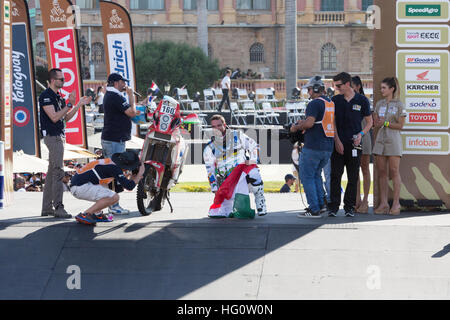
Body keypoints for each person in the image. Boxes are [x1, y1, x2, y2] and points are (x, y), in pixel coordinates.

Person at [39, 68, 92, 218]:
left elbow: (65, 118)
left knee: (52, 173)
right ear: (53, 80)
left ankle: (47, 208)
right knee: (58, 171)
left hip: (59, 135)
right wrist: (69, 104)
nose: (63, 81)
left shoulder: (58, 96)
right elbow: (54, 117)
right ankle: (58, 207)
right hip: (53, 136)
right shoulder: (46, 96)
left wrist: (78, 104)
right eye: (61, 79)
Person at [328, 72, 373, 217]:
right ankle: (334, 207)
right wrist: (337, 140)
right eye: (335, 85)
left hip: (354, 145)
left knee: (353, 176)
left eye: (339, 85)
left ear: (348, 84)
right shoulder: (335, 100)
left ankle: (349, 207)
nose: (337, 88)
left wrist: (360, 135)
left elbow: (369, 122)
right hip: (338, 145)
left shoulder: (362, 100)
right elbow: (331, 122)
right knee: (336, 175)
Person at [203, 115, 267, 216]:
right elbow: (210, 170)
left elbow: (254, 145)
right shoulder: (209, 147)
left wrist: (253, 160)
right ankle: (228, 206)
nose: (217, 128)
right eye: (214, 127)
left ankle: (260, 201)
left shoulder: (237, 135)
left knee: (253, 171)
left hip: (242, 174)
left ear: (224, 125)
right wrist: (214, 188)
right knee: (224, 213)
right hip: (226, 182)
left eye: (219, 125)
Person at [291, 76, 335, 218]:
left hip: (314, 146)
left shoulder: (314, 103)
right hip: (327, 146)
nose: (308, 92)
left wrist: (296, 127)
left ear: (316, 88)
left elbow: (310, 124)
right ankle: (321, 205)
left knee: (307, 177)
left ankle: (314, 209)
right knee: (316, 175)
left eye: (309, 89)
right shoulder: (329, 102)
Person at [70, 151, 145, 225]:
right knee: (114, 197)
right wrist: (139, 174)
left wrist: (131, 178)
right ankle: (86, 214)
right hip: (80, 187)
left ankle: (97, 214)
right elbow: (129, 186)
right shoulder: (114, 168)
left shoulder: (110, 163)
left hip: (79, 185)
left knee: (108, 191)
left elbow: (119, 188)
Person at [101, 73, 137, 215]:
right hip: (114, 139)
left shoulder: (111, 95)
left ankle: (109, 203)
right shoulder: (115, 96)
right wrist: (131, 96)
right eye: (123, 82)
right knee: (114, 173)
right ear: (116, 83)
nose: (125, 84)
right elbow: (132, 112)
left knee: (112, 172)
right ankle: (113, 205)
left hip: (114, 138)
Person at [372, 77, 406, 215]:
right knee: (381, 172)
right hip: (380, 140)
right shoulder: (379, 104)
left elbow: (401, 125)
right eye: (381, 88)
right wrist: (376, 121)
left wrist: (385, 123)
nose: (381, 90)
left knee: (394, 171)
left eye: (384, 88)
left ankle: (396, 204)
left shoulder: (399, 105)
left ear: (392, 89)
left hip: (393, 140)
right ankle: (384, 203)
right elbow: (375, 121)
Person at [351, 76, 372, 214]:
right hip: (352, 140)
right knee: (354, 170)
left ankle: (365, 200)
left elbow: (371, 122)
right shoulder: (347, 100)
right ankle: (356, 199)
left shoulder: (365, 101)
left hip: (364, 138)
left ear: (358, 86)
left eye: (352, 86)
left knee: (365, 169)